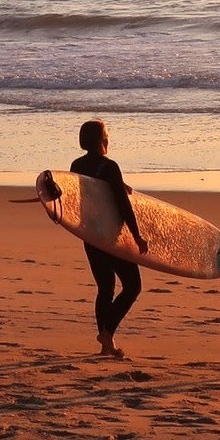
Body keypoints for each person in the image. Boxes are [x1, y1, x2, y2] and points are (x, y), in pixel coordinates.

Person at [71, 119, 147, 358]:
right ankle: (107, 332)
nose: (108, 137)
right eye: (106, 133)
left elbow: (85, 194)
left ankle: (107, 344)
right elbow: (123, 206)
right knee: (133, 285)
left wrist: (118, 183)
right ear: (99, 139)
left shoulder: (77, 165)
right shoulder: (110, 166)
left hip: (90, 235)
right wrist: (137, 236)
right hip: (111, 236)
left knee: (105, 288)